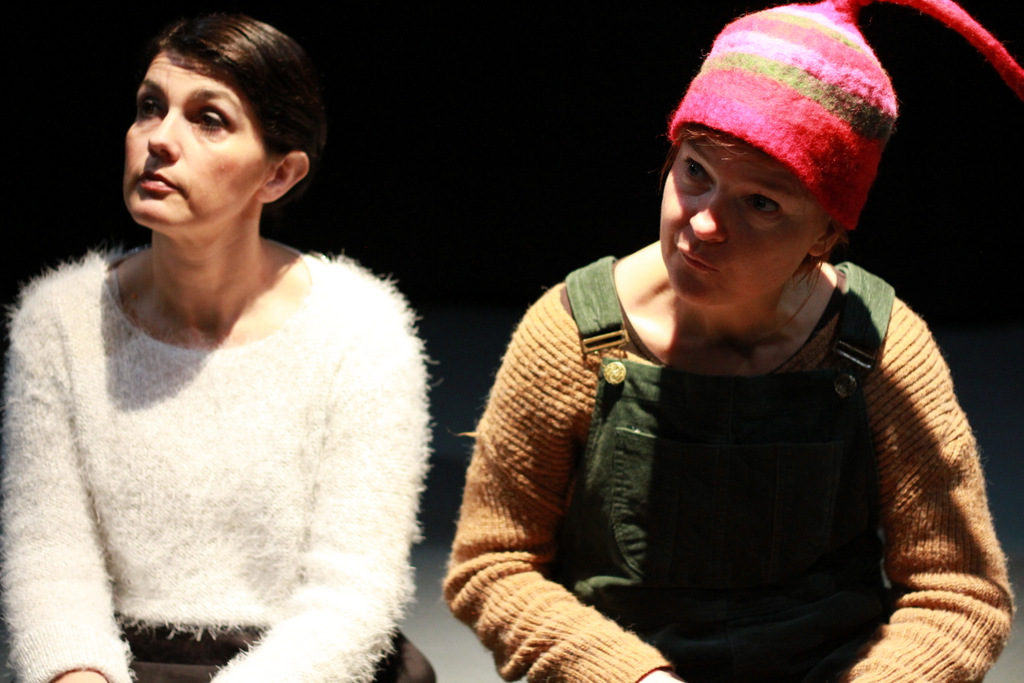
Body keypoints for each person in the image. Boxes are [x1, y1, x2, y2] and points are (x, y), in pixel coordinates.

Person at [444, 1, 1020, 681]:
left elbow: (959, 590)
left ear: (825, 233)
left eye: (761, 203)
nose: (704, 224)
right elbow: (493, 562)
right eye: (696, 173)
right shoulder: (571, 334)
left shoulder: (878, 348)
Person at [1, 14, 433, 683]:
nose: (159, 139)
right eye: (150, 107)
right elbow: (49, 559)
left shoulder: (361, 328)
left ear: (279, 174)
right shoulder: (59, 319)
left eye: (209, 119)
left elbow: (353, 594)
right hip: (118, 662)